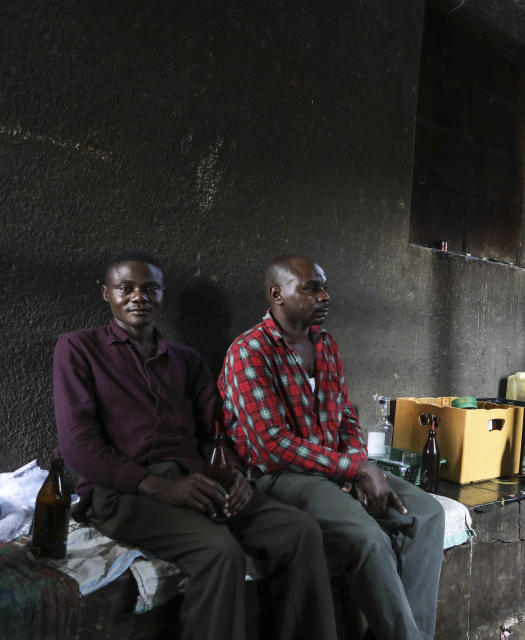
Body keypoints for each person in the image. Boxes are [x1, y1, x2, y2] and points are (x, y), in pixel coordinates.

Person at [53, 250, 337, 640]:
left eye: (151, 288)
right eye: (126, 288)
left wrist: (235, 474)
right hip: (124, 491)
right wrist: (160, 488)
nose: (140, 297)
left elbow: (215, 431)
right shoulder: (79, 349)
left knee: (299, 528)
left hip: (198, 479)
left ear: (163, 294)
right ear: (106, 294)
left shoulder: (185, 360)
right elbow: (78, 446)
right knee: (219, 552)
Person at [219, 255, 444, 640]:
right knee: (367, 537)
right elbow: (271, 445)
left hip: (335, 469)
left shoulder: (325, 345)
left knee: (427, 514)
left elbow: (346, 419)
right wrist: (353, 470)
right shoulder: (250, 351)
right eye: (311, 288)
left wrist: (358, 465)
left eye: (324, 287)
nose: (325, 296)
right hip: (280, 477)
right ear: (277, 294)